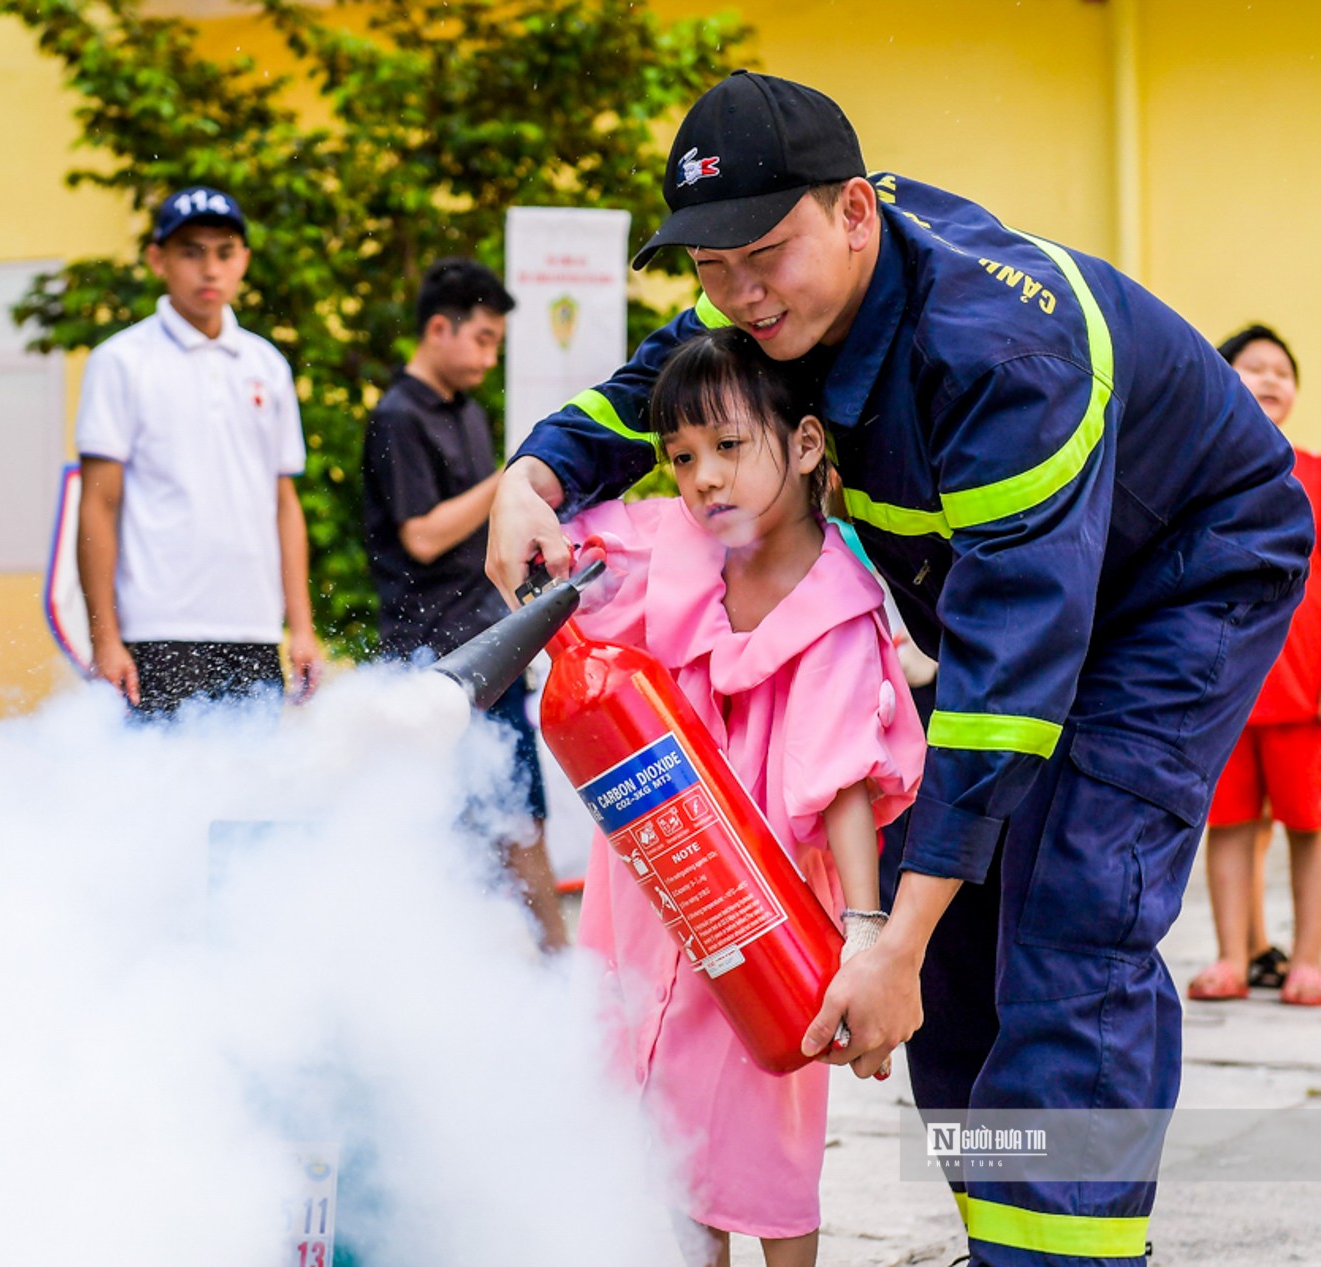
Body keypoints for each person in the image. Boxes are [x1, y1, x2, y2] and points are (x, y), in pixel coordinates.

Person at [487, 71, 1312, 1265]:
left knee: (1074, 907)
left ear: (857, 212)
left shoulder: (998, 352)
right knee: (959, 941)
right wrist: (536, 478)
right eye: (710, 270)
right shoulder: (772, 302)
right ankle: (1005, 1226)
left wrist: (889, 940)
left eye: (761, 255)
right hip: (997, 593)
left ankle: (1062, 1255)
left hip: (1179, 575)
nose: (737, 294)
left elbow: (1008, 686)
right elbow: (651, 396)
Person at [568, 328, 924, 1267]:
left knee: (765, 1117)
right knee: (661, 1117)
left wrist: (860, 926)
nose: (704, 479)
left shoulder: (838, 604)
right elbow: (569, 558)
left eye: (730, 446)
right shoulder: (669, 550)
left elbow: (839, 775)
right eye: (682, 457)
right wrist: (526, 495)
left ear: (805, 445)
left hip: (765, 903)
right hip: (657, 879)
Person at [360, 258, 567, 952]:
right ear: (438, 328)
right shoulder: (397, 416)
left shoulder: (470, 412)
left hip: (490, 648)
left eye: (496, 343)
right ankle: (534, 963)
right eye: (481, 338)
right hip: (436, 661)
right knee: (464, 826)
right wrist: (506, 479)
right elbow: (423, 535)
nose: (488, 355)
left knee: (518, 816)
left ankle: (538, 968)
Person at [74, 185, 320, 717]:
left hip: (253, 629)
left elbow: (284, 503)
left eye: (225, 251)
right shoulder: (120, 361)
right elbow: (98, 504)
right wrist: (105, 638)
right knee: (165, 797)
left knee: (250, 795)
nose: (210, 269)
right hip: (157, 629)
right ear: (157, 259)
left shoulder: (267, 364)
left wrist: (300, 627)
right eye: (191, 251)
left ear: (244, 261)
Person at [1189, 325, 1321, 1006]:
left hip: (1306, 694)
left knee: (1311, 827)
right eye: (1253, 367)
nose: (1271, 378)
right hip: (1222, 687)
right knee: (1230, 825)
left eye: (1282, 370)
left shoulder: (1317, 475)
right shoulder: (1197, 476)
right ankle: (1234, 955)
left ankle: (1309, 957)